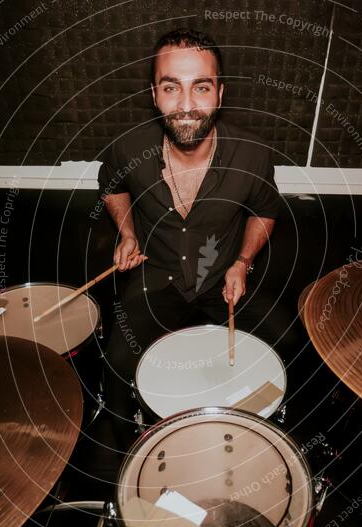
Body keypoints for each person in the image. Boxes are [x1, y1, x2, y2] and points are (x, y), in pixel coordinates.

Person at [98, 28, 301, 451]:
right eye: (172, 87)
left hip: (221, 278)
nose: (187, 105)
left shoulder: (252, 154)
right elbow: (111, 187)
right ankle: (127, 458)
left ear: (220, 93)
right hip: (157, 276)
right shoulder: (126, 147)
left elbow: (266, 211)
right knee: (117, 364)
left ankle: (261, 445)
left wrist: (242, 261)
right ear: (154, 94)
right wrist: (128, 233)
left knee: (287, 342)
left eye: (201, 87)